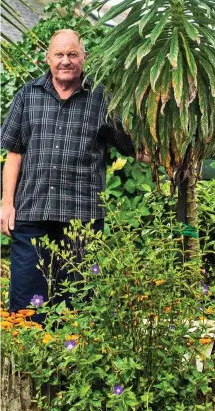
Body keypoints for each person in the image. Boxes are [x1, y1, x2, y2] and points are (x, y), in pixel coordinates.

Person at [0, 28, 144, 318]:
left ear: (84, 58)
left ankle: (72, 364)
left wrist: (175, 150)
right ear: (48, 58)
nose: (65, 61)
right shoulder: (28, 95)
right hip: (31, 215)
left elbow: (134, 148)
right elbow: (14, 154)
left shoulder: (102, 98)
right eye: (59, 54)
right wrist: (6, 202)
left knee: (77, 308)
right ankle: (29, 364)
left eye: (72, 54)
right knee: (26, 309)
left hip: (82, 220)